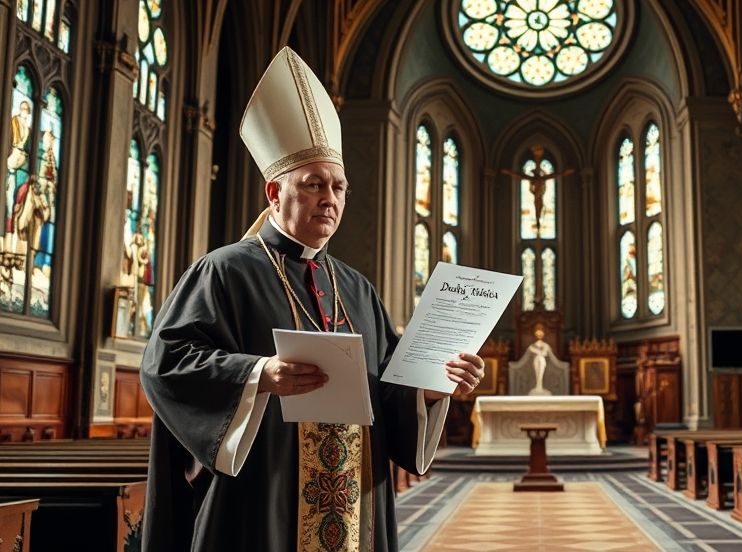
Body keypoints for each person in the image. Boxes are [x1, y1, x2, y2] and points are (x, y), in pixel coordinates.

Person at [140, 47, 485, 552]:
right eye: (313, 185)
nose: (330, 198)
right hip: (264, 496)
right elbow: (164, 363)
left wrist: (434, 386)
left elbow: (389, 387)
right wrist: (259, 376)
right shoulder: (225, 270)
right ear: (273, 193)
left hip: (353, 495)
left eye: (339, 187)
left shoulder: (356, 287)